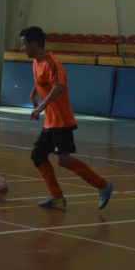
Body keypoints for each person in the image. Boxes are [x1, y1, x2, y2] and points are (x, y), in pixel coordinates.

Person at [20, 26, 114, 209]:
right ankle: (57, 197)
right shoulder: (36, 62)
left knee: (64, 160)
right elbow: (41, 80)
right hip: (50, 122)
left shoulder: (52, 62)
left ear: (33, 44)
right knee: (38, 156)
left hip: (62, 121)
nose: (21, 48)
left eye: (24, 44)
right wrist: (33, 93)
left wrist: (40, 106)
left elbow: (59, 85)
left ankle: (104, 186)